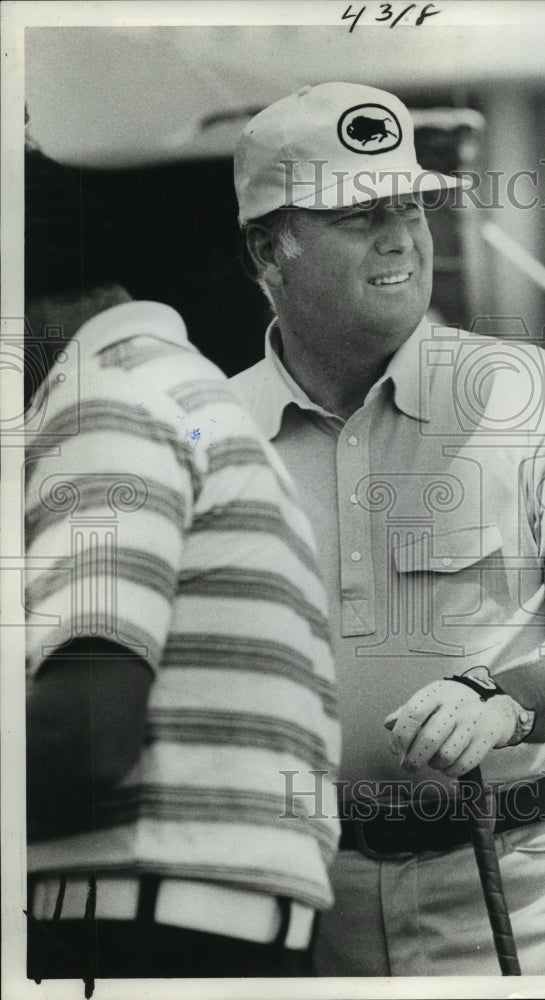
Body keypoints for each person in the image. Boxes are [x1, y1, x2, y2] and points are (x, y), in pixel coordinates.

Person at [230, 81, 545, 977]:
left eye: (413, 205)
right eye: (358, 213)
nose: (400, 234)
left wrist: (502, 701)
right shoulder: (212, 427)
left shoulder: (529, 392)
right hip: (310, 914)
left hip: (532, 902)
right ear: (268, 248)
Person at [23, 149, 340, 982]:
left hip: (137, 928)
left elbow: (88, 731)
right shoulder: (172, 391)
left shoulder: (103, 403)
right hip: (191, 921)